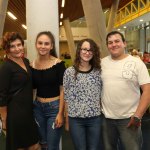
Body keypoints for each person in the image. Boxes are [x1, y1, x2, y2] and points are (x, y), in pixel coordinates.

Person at [101, 31, 150, 150]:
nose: (114, 45)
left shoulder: (137, 63)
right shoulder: (102, 63)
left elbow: (147, 90)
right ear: (107, 46)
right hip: (106, 119)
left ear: (124, 43)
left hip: (129, 119)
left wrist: (138, 115)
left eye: (117, 41)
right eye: (110, 42)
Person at [0, 32, 39, 150]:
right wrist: (4, 120)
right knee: (19, 147)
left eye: (19, 45)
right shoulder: (6, 67)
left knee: (34, 146)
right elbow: (2, 95)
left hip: (28, 111)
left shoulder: (26, 61)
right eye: (12, 46)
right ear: (7, 49)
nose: (17, 49)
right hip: (15, 114)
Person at [63, 38, 103, 150]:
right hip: (75, 120)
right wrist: (67, 121)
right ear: (79, 51)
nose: (87, 52)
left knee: (93, 148)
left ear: (94, 53)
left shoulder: (98, 71)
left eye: (91, 50)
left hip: (94, 119)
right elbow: (67, 97)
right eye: (84, 49)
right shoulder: (69, 72)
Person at [31, 31, 65, 150]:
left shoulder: (59, 64)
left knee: (52, 146)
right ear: (36, 44)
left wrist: (60, 114)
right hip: (38, 108)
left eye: (46, 44)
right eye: (40, 43)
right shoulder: (32, 65)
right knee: (43, 143)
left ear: (51, 46)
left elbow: (62, 90)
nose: (43, 46)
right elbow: (32, 90)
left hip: (54, 109)